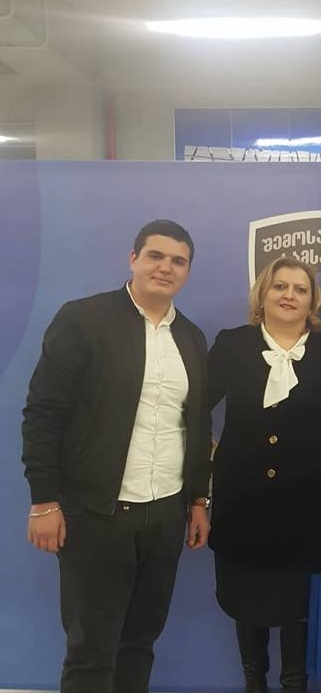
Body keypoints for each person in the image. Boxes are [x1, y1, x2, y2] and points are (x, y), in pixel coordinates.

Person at [21, 219, 211, 693]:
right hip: (96, 515)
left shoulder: (191, 337)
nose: (165, 267)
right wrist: (44, 501)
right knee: (91, 651)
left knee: (139, 643)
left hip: (165, 514)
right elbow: (43, 413)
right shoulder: (83, 319)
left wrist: (197, 500)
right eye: (155, 256)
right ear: (133, 259)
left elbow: (197, 425)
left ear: (188, 271)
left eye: (178, 261)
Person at [208, 256, 321, 693]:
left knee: (300, 608)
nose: (289, 295)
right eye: (280, 286)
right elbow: (192, 408)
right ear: (263, 294)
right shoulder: (232, 345)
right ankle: (253, 683)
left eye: (300, 289)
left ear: (313, 301)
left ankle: (295, 684)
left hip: (308, 510)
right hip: (241, 507)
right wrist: (204, 468)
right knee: (247, 604)